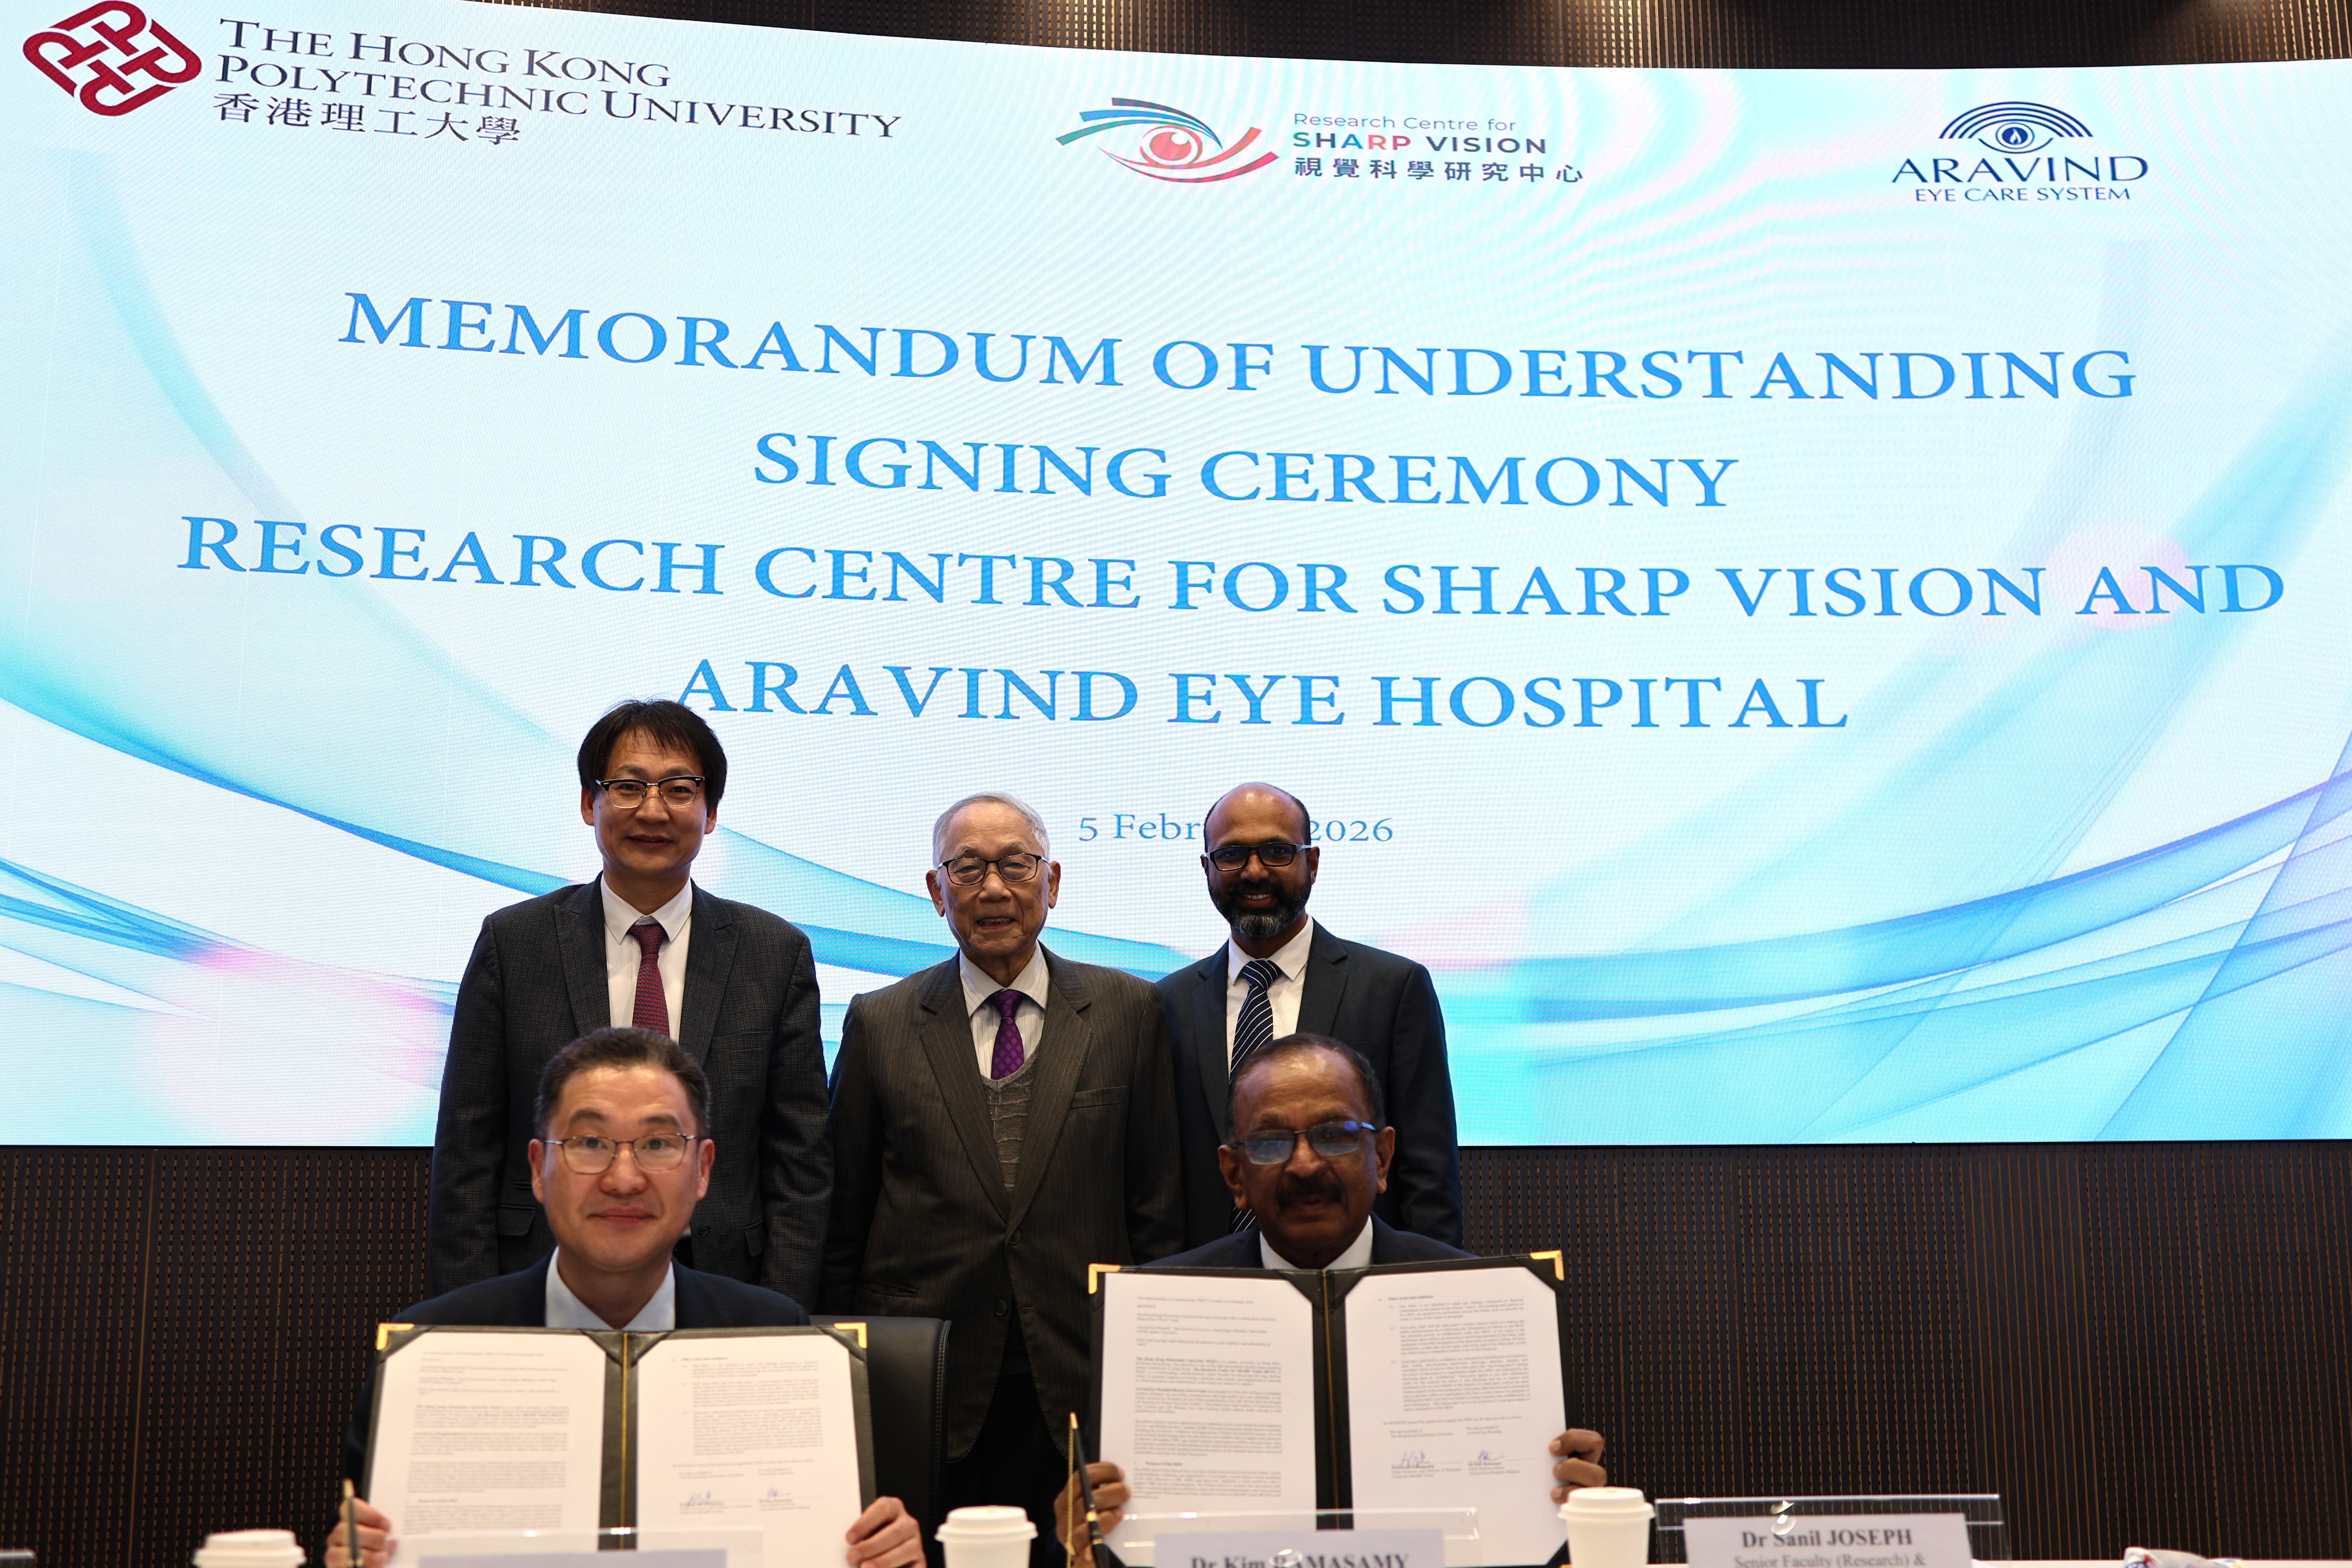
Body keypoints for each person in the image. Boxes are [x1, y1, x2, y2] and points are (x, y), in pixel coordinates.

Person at [332, 1028, 919, 1568]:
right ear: (539, 1169)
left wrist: (882, 1556)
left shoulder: (777, 1341)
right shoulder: (432, 1356)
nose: (623, 1178)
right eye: (590, 1142)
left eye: (659, 1143)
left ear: (703, 1170)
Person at [1052, 1032, 1606, 1563]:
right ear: (1234, 1174)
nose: (1305, 1165)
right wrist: (1082, 1543)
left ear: (1383, 1157)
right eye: (1270, 1142)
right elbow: (1110, 1541)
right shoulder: (1157, 1317)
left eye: (1336, 1134)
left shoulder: (1488, 1308)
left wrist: (1579, 1518)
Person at [824, 791, 1183, 1566]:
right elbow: (843, 1217)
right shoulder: (880, 1020)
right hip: (932, 1376)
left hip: (1079, 1373)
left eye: (1014, 865)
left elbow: (1158, 1210)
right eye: (969, 868)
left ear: (1051, 880)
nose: (993, 889)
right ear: (935, 889)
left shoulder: (1130, 1009)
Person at [428, 699, 829, 1303]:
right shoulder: (514, 944)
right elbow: (467, 1153)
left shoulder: (774, 955)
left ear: (711, 811)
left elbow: (800, 1167)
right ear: (589, 804)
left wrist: (781, 1314)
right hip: (543, 1275)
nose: (652, 810)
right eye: (627, 787)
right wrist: (477, 1313)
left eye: (678, 789)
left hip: (724, 1282)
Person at [1157, 782, 1463, 1249]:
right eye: (1232, 854)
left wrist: (1422, 1291)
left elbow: (1428, 1173)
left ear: (1312, 863)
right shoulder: (1166, 1004)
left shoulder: (1394, 989)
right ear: (1207, 868)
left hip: (1361, 1285)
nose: (1254, 871)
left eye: (1278, 852)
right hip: (1210, 1292)